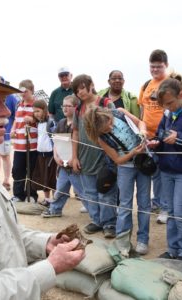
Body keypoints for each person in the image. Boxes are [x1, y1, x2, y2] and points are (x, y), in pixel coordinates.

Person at [0, 52, 85, 299]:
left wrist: (45, 243)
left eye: (4, 102)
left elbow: (5, 235)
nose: (6, 112)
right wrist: (50, 268)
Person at [149, 73, 182, 263]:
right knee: (170, 211)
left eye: (170, 103)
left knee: (180, 211)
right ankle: (173, 250)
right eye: (164, 104)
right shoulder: (166, 114)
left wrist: (178, 138)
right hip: (166, 169)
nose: (168, 107)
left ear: (181, 94)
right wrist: (156, 142)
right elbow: (160, 135)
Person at [84, 106, 151, 255]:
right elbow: (118, 160)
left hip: (143, 162)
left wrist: (143, 132)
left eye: (110, 124)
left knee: (144, 203)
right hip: (126, 167)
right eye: (105, 130)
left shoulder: (119, 113)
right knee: (125, 204)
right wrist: (132, 152)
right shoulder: (101, 138)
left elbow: (140, 122)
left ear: (109, 116)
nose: (110, 128)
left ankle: (143, 240)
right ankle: (123, 241)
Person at [71, 74, 118, 238]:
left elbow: (115, 127)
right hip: (85, 157)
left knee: (106, 191)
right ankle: (96, 221)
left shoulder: (105, 103)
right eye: (76, 91)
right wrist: (74, 157)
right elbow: (75, 132)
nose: (80, 93)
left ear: (91, 85)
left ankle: (110, 223)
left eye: (82, 88)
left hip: (105, 156)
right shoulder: (78, 109)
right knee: (89, 192)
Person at [42, 94, 86, 217]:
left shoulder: (80, 124)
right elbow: (56, 142)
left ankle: (96, 216)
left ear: (76, 107)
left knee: (83, 192)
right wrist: (56, 156)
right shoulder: (60, 123)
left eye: (69, 106)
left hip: (76, 164)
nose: (65, 108)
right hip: (63, 164)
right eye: (63, 106)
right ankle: (55, 209)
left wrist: (74, 158)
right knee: (61, 188)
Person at [138, 49, 169, 223]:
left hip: (165, 136)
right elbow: (143, 109)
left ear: (166, 65)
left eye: (159, 67)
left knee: (163, 173)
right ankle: (156, 203)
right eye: (152, 67)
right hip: (147, 136)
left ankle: (165, 207)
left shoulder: (171, 83)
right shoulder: (146, 85)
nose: (155, 70)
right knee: (151, 171)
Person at [10, 79, 38, 202]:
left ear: (31, 90)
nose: (22, 94)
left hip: (33, 144)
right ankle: (18, 195)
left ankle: (32, 195)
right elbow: (16, 120)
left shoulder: (37, 104)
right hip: (19, 144)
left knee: (32, 170)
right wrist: (12, 129)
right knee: (17, 169)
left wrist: (33, 119)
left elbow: (44, 119)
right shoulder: (19, 103)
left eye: (25, 92)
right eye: (20, 92)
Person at [0, 77, 18, 191]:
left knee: (5, 156)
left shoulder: (11, 97)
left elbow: (16, 114)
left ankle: (6, 180)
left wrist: (13, 128)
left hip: (5, 131)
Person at [31, 99, 57, 203]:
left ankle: (55, 199)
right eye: (34, 111)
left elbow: (55, 138)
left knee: (52, 177)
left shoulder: (50, 122)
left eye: (38, 111)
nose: (36, 114)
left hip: (50, 154)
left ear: (44, 110)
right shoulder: (39, 123)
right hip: (40, 154)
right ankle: (46, 199)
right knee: (44, 177)